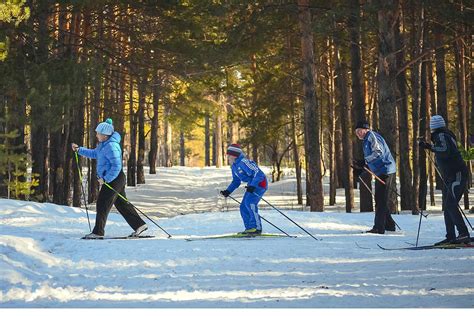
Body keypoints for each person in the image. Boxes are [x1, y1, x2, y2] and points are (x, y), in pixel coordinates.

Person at [72, 118, 147, 239]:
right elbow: (94, 153)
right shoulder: (103, 145)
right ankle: (140, 225)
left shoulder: (111, 146)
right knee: (122, 204)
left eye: (98, 133)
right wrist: (79, 150)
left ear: (105, 135)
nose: (96, 135)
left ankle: (98, 232)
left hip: (114, 179)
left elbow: (117, 166)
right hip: (114, 179)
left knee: (102, 203)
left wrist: (106, 179)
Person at [419, 115, 470, 245]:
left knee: (451, 205)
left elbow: (445, 150)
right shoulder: (443, 135)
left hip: (457, 174)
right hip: (451, 176)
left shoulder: (441, 135)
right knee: (448, 207)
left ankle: (463, 234)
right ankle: (451, 236)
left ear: (433, 126)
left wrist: (428, 147)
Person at [353, 120, 397, 234]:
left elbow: (378, 153)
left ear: (366, 129)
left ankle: (379, 227)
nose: (358, 133)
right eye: (356, 131)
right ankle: (389, 225)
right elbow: (372, 158)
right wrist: (361, 168)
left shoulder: (371, 136)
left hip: (385, 170)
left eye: (360, 131)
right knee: (379, 198)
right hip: (380, 171)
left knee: (380, 199)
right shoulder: (366, 139)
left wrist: (364, 161)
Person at [220, 144, 268, 235]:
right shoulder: (234, 166)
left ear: (234, 155)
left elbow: (258, 173)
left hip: (260, 183)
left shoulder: (244, 162)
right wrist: (228, 191)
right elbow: (236, 181)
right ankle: (249, 228)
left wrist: (253, 185)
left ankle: (256, 228)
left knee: (250, 203)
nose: (228, 157)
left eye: (229, 155)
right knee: (243, 206)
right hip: (252, 185)